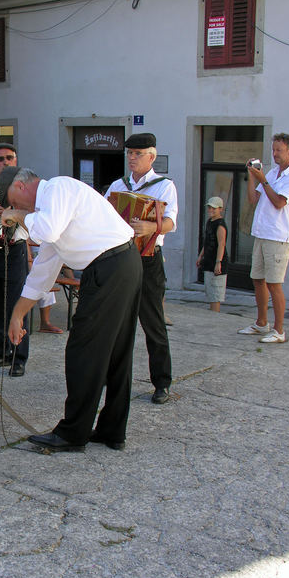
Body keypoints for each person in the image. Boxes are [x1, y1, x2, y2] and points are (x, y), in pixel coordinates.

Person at [0, 167, 142, 453]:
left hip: (112, 267)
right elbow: (43, 269)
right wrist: (17, 314)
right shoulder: (52, 211)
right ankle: (112, 431)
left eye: (12, 201)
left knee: (83, 351)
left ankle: (73, 434)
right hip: (120, 265)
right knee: (114, 353)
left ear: (20, 185)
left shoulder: (57, 189)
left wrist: (17, 216)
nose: (14, 208)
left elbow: (46, 230)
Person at [0, 142, 55, 378]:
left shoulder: (26, 188)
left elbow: (38, 218)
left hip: (13, 248)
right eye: (0, 159)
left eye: (10, 158)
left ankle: (19, 357)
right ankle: (0, 352)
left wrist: (13, 216)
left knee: (16, 303)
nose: (6, 162)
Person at [105, 133, 177, 404]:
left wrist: (151, 227)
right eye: (130, 153)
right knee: (115, 321)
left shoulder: (164, 186)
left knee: (153, 322)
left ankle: (162, 382)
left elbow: (170, 222)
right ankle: (108, 375)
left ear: (152, 156)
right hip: (121, 257)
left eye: (138, 153)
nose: (132, 158)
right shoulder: (117, 185)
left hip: (148, 257)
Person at [238, 133, 289, 343]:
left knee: (275, 283)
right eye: (273, 149)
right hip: (262, 232)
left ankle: (279, 330)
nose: (274, 154)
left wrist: (263, 179)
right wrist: (252, 175)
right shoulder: (274, 172)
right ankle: (261, 323)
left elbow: (278, 202)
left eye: (279, 150)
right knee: (258, 279)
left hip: (278, 235)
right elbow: (253, 199)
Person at [196, 196, 228, 312]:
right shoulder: (210, 222)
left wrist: (218, 262)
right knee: (210, 293)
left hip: (217, 262)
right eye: (209, 207)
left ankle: (215, 316)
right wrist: (200, 256)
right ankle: (212, 314)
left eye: (214, 208)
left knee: (216, 294)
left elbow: (221, 244)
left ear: (220, 209)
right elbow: (207, 241)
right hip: (208, 261)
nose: (211, 210)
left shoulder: (220, 225)